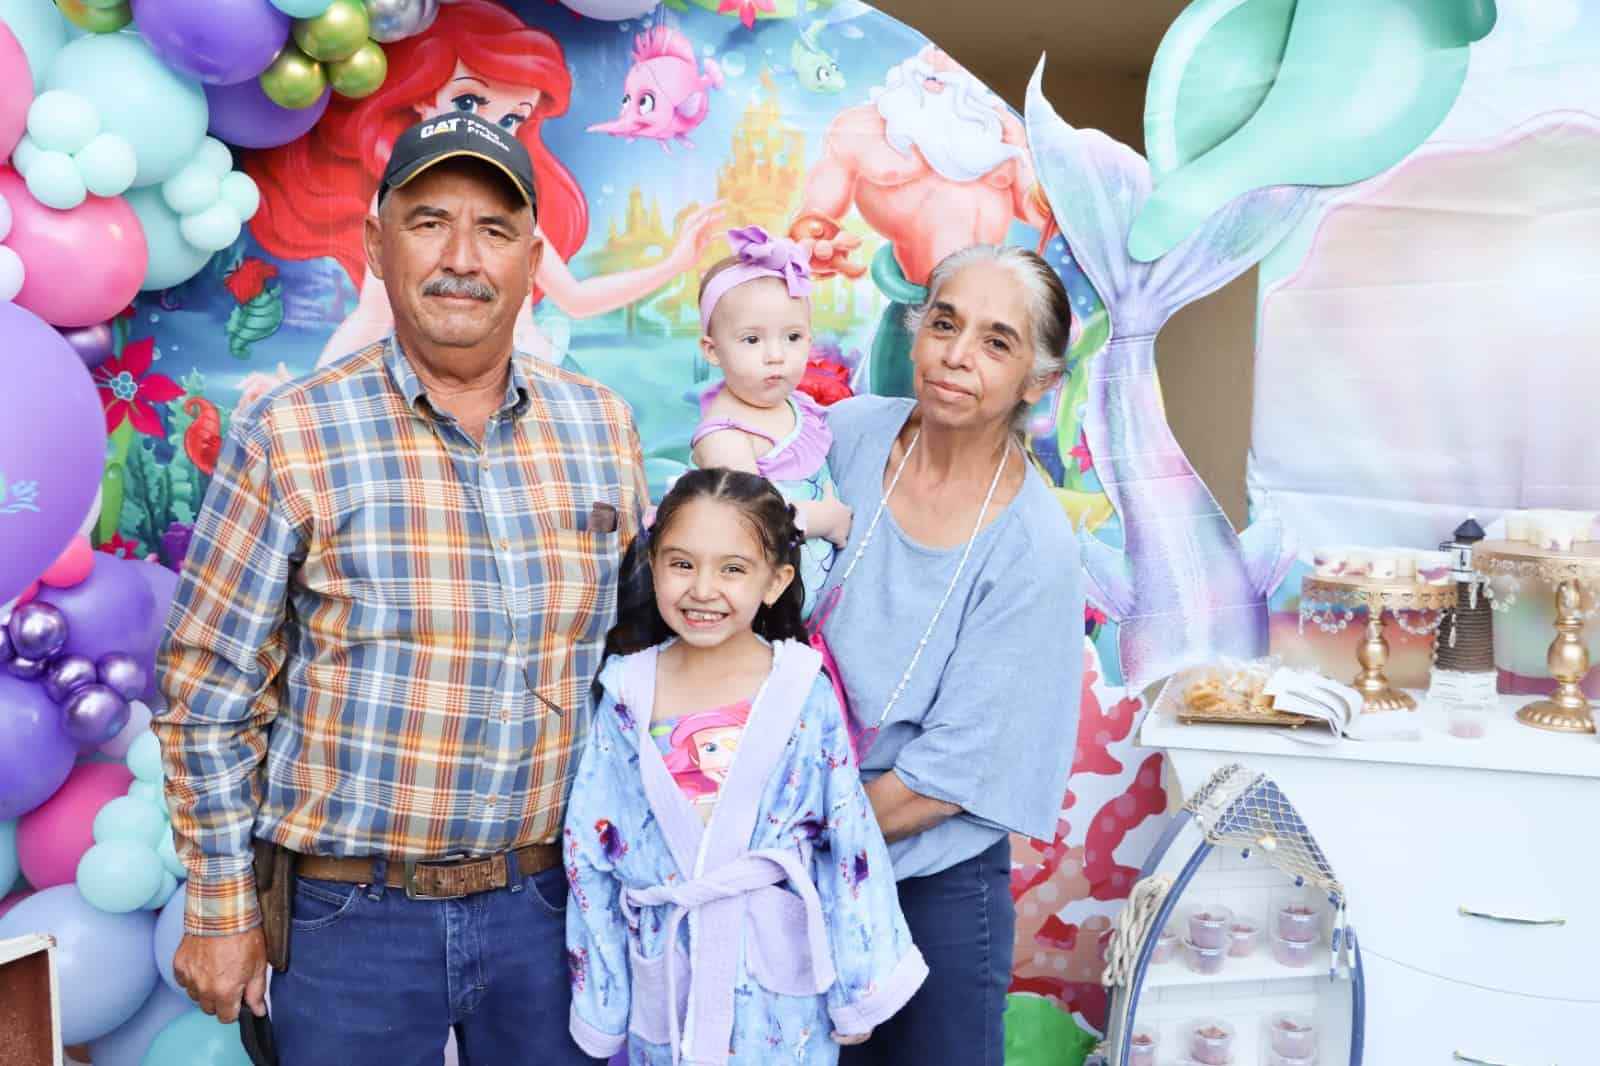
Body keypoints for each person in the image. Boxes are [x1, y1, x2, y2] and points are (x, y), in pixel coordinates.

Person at [153, 113, 649, 1065]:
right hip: (349, 917)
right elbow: (207, 690)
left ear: (533, 260)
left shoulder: (603, 431)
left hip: (555, 910)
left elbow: (638, 664)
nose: (462, 257)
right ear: (376, 245)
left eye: (495, 230)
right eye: (429, 222)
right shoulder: (292, 435)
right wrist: (221, 909)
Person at [821, 244, 1085, 1066]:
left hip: (927, 884)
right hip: (797, 861)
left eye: (997, 341)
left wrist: (779, 840)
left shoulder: (1033, 546)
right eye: (944, 322)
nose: (958, 355)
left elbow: (949, 774)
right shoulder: (840, 439)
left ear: (1037, 383)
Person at [564, 469, 926, 1065]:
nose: (703, 589)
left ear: (776, 581)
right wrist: (602, 999)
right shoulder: (627, 690)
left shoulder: (800, 689)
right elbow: (589, 852)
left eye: (732, 569)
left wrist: (859, 987)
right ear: (652, 566)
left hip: (778, 988)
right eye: (681, 564)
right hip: (668, 965)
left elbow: (850, 841)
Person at [243, 0, 722, 377]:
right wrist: (309, 398)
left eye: (514, 117)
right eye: (468, 102)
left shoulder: (514, 202)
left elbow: (575, 298)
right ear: (422, 98)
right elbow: (371, 318)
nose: (491, 128)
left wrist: (673, 265)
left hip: (532, 388)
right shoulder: (398, 196)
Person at [789, 47, 1051, 398]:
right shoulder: (861, 129)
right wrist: (817, 246)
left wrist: (1023, 153)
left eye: (949, 72)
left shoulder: (998, 136)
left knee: (981, 434)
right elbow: (814, 218)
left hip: (991, 322)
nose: (937, 72)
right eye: (928, 71)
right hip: (911, 312)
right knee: (892, 426)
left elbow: (1040, 215)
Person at [690, 225, 852, 618]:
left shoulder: (800, 408)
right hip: (761, 614)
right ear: (712, 350)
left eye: (793, 337)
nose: (776, 355)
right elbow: (757, 522)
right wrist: (827, 521)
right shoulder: (726, 436)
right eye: (752, 340)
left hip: (817, 606)